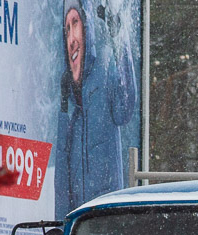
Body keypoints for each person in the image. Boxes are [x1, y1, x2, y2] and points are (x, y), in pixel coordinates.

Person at [53, 0, 138, 217]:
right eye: (67, 28)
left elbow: (125, 108)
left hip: (105, 220)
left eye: (76, 23)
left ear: (87, 28)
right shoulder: (68, 100)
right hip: (79, 227)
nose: (71, 37)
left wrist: (120, 41)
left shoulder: (105, 73)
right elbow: (62, 177)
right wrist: (60, 227)